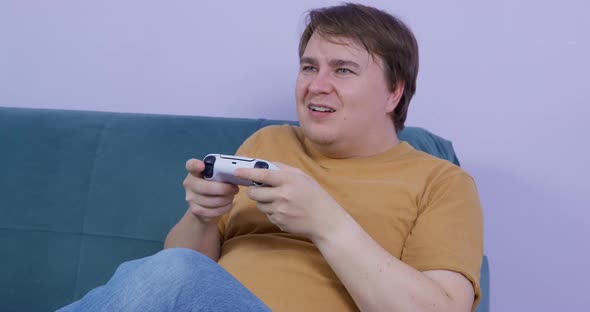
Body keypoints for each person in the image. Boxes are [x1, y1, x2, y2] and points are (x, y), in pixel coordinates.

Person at [58, 3, 483, 312]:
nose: (317, 84)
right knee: (175, 268)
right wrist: (203, 216)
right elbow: (179, 268)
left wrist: (325, 222)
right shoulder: (269, 143)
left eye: (343, 70)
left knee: (176, 274)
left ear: (394, 92)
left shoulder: (441, 181)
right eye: (308, 67)